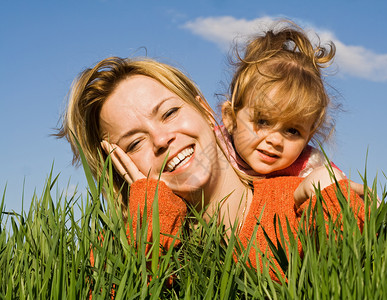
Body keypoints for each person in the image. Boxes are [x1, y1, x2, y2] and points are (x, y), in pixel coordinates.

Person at [57, 56, 365, 274]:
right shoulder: (117, 249)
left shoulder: (301, 198)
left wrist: (332, 198)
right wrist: (152, 220)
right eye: (135, 143)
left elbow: (355, 270)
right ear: (119, 167)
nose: (162, 139)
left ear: (205, 109)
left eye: (169, 113)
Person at [220, 21, 340, 180]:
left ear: (308, 137)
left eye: (293, 131)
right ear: (230, 117)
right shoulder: (214, 150)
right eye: (262, 121)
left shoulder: (310, 166)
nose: (275, 140)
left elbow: (352, 195)